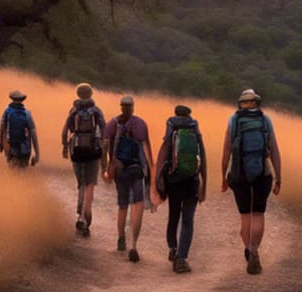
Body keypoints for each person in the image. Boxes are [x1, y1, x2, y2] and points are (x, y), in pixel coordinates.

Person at [221, 88, 281, 275]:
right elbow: (275, 150)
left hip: (240, 174)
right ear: (256, 102)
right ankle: (255, 250)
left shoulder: (234, 120)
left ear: (241, 103)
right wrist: (279, 177)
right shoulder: (265, 120)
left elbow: (226, 151)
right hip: (263, 174)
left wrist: (223, 177)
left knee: (245, 216)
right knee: (258, 214)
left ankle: (248, 250)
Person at [154, 104, 207, 274]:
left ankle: (173, 248)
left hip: (174, 180)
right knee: (188, 220)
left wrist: (158, 179)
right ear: (189, 115)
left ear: (176, 114)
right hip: (191, 180)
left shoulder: (171, 127)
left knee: (174, 215)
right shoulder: (194, 128)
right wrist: (203, 182)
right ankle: (182, 259)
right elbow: (202, 157)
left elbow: (164, 152)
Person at [103, 94, 154, 263]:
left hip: (120, 171)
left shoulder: (112, 124)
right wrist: (151, 170)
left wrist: (106, 169)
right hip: (136, 170)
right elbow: (146, 149)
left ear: (120, 106)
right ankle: (134, 245)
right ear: (132, 107)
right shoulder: (140, 124)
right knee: (137, 206)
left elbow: (105, 147)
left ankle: (120, 238)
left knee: (122, 206)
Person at [61, 82, 107, 237]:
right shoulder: (96, 111)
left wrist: (65, 147)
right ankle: (85, 218)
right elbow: (104, 130)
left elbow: (65, 130)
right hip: (93, 151)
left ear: (78, 94)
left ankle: (80, 213)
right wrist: (105, 151)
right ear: (91, 93)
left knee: (81, 183)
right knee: (90, 184)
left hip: (76, 150)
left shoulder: (74, 110)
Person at [0, 89, 39, 169]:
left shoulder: (7, 112)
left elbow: (2, 127)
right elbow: (33, 133)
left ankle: (12, 181)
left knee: (12, 169)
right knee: (23, 170)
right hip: (25, 148)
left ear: (12, 99)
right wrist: (37, 154)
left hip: (11, 146)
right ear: (22, 100)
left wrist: (0, 143)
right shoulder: (27, 114)